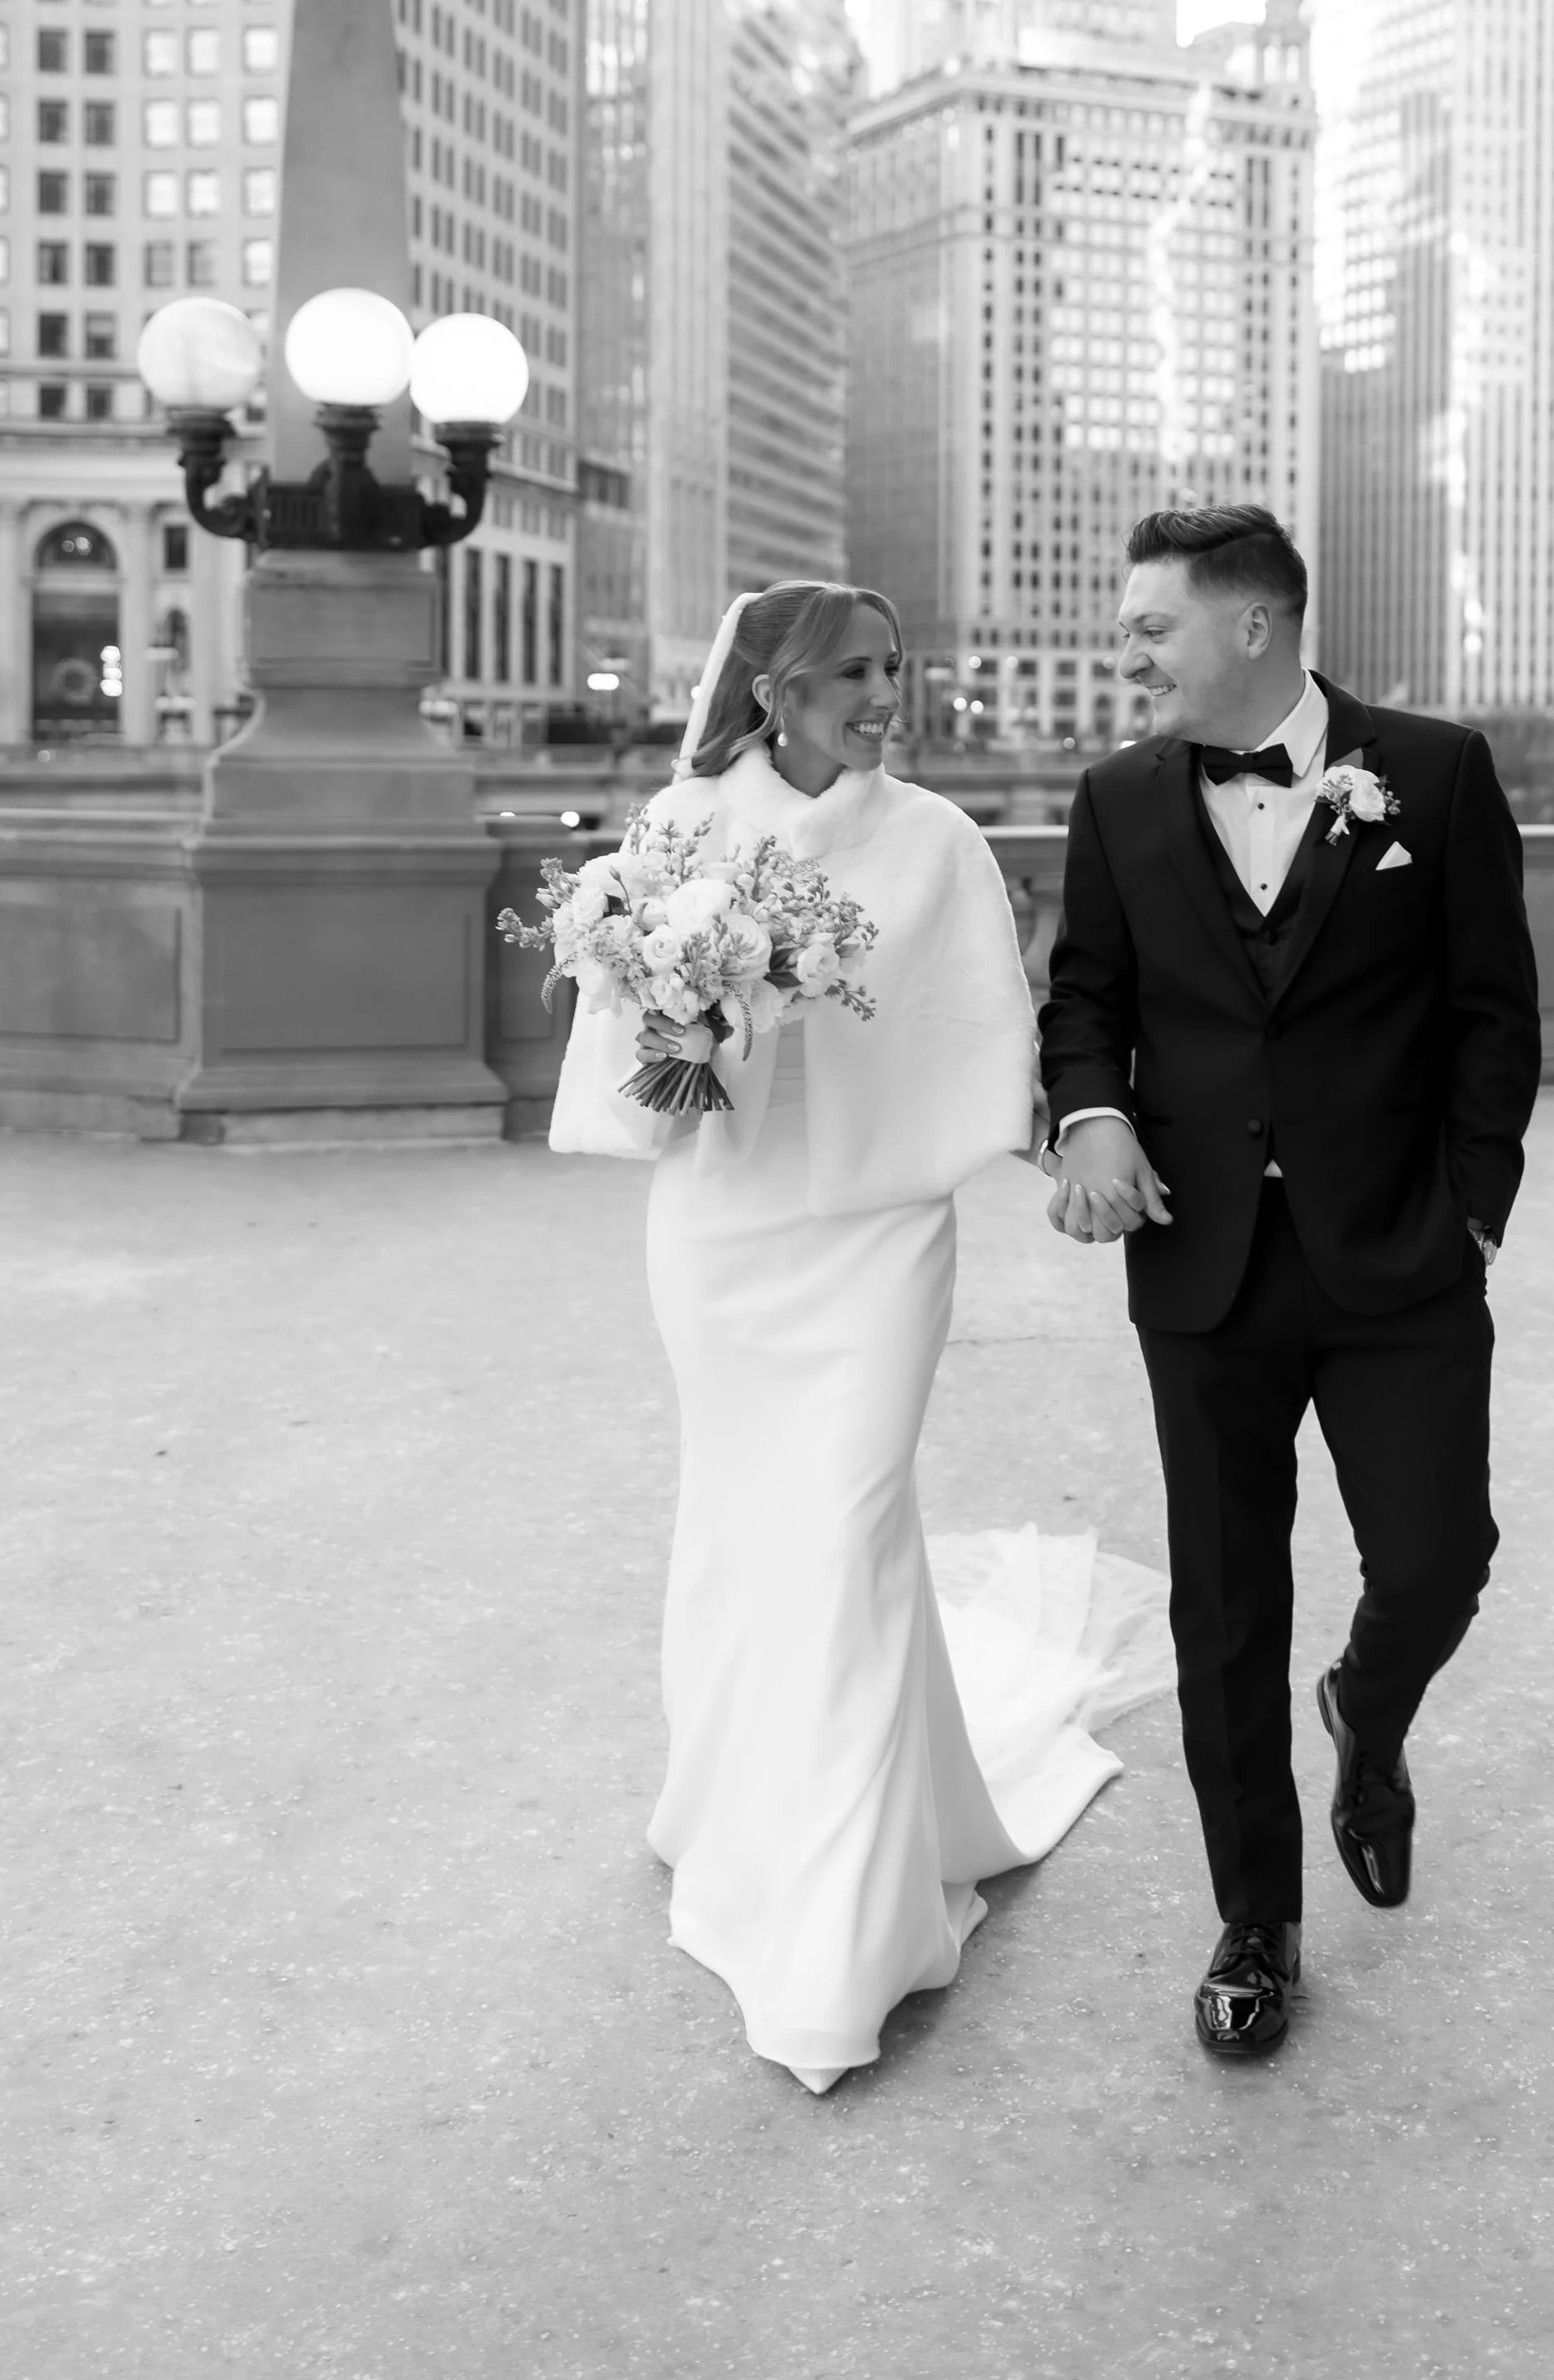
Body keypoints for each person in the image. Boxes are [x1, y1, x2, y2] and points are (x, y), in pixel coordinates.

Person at [549, 581, 1167, 2094]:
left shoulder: (939, 841)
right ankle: (730, 1801)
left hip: (879, 1237)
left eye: (895, 668)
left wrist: (1074, 1147)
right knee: (740, 1517)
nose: (888, 696)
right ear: (772, 689)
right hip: (723, 1228)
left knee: (846, 1525)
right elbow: (628, 1048)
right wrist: (694, 1017)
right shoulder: (680, 825)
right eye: (853, 673)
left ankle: (841, 1929)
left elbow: (984, 1032)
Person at [1039, 507, 1541, 2059]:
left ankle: (1366, 1715)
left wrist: (1473, 1213)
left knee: (1441, 1556)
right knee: (1226, 1607)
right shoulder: (1116, 797)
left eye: (1151, 624)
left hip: (1401, 1251)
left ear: (1252, 624)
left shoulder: (1434, 773)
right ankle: (1256, 1921)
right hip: (1203, 1265)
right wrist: (1092, 1114)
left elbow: (1493, 1011)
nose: (1127, 650)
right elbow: (1084, 1001)